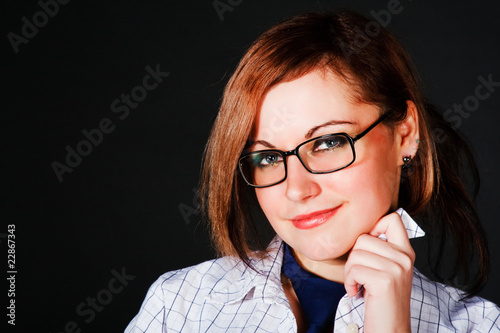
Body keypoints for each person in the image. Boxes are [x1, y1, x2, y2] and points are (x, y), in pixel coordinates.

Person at [125, 10, 500, 332]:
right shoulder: (179, 305)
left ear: (405, 134)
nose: (296, 189)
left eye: (327, 143)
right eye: (269, 158)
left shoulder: (481, 326)